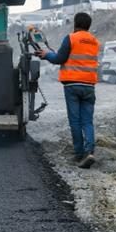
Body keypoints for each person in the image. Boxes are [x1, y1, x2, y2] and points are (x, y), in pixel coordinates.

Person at [43, 11, 99, 168]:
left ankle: (79, 154)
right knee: (87, 121)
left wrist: (46, 55)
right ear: (89, 25)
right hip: (89, 85)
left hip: (72, 85)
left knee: (75, 121)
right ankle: (90, 152)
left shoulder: (71, 38)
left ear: (75, 23)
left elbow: (59, 58)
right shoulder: (94, 41)